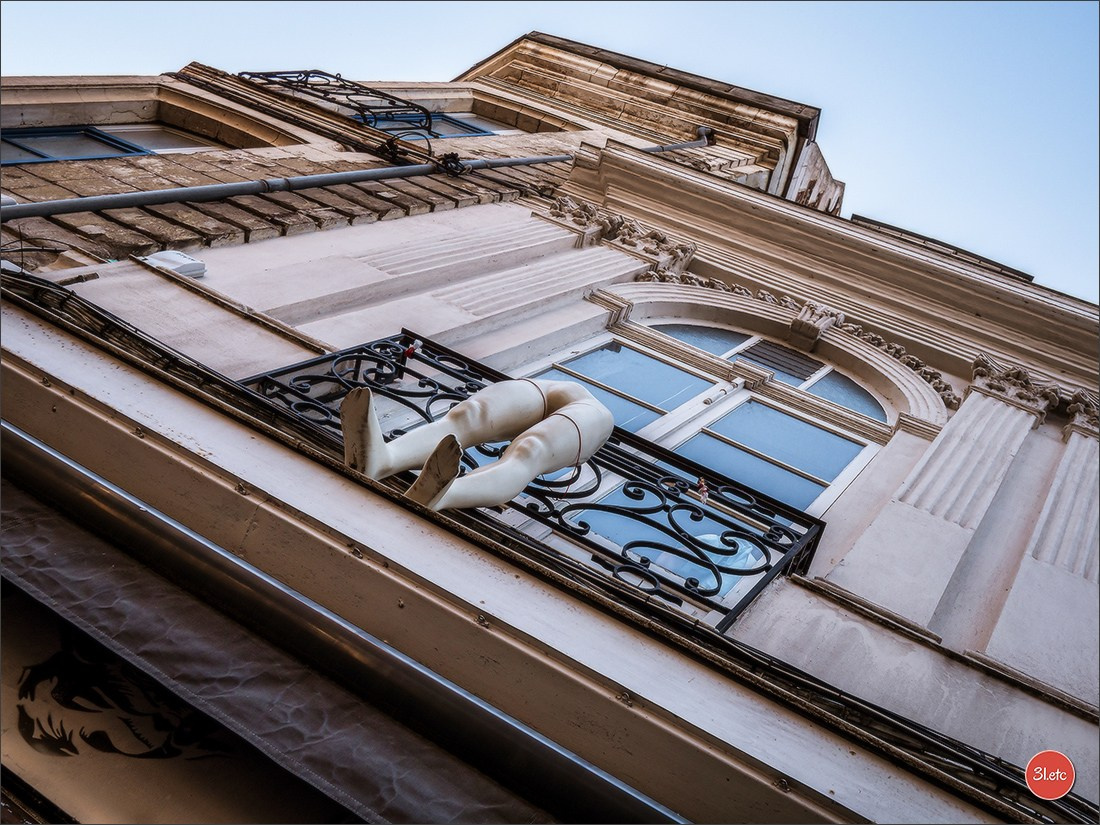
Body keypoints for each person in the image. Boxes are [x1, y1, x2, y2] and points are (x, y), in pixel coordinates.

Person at [341, 378, 615, 510]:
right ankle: (382, 459)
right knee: (467, 415)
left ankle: (446, 494)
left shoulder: (599, 413)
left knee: (531, 450)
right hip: (545, 387)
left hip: (593, 412)